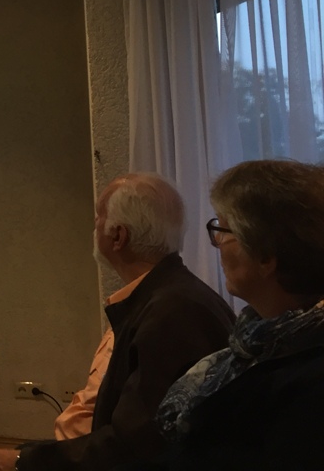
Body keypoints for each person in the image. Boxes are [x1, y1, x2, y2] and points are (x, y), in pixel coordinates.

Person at [0, 173, 234, 471]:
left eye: (98, 217)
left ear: (118, 236)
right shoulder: (170, 295)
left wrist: (22, 460)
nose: (94, 226)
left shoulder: (171, 314)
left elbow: (133, 447)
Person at [127, 159, 324, 470]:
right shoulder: (257, 345)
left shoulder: (307, 380)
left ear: (265, 256)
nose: (217, 243)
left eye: (222, 228)